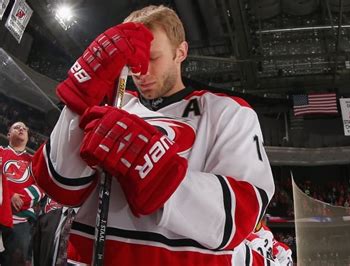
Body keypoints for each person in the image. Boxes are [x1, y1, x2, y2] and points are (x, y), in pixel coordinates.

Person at [32, 4, 274, 265]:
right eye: (133, 61)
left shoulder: (228, 112)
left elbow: (239, 217)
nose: (140, 71)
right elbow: (60, 186)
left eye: (153, 58)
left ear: (180, 52)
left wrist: (157, 173)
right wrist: (79, 101)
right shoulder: (110, 104)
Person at [0, 121, 44, 266]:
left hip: (21, 221)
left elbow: (41, 186)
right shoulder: (0, 152)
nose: (21, 129)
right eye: (17, 127)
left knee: (16, 262)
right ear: (8, 135)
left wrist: (21, 199)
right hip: (1, 212)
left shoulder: (33, 162)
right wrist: (10, 195)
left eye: (24, 128)